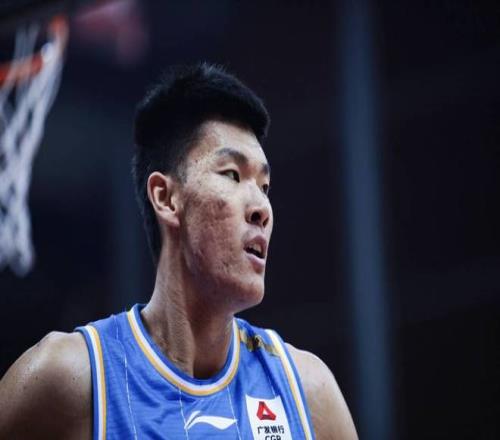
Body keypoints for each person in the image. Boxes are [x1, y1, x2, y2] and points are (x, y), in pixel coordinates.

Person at [0, 63, 358, 439]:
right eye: (232, 175)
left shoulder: (308, 391)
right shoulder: (70, 378)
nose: (261, 208)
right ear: (166, 198)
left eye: (264, 186)